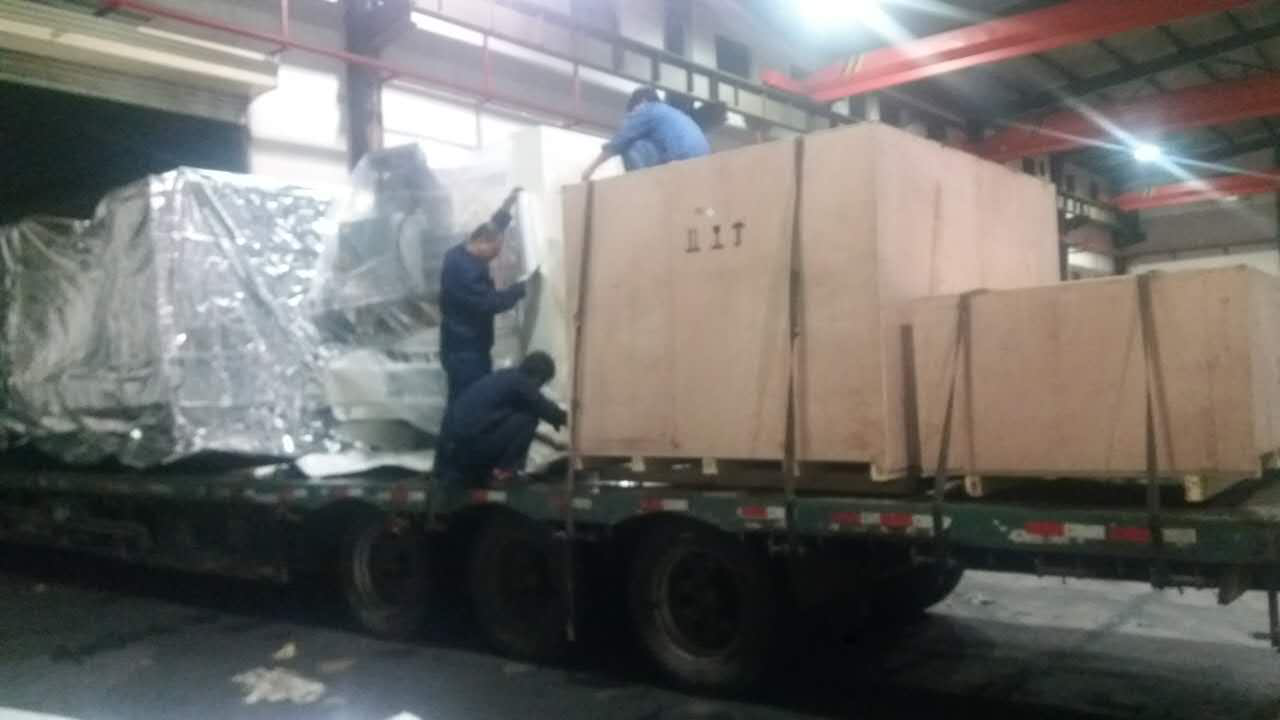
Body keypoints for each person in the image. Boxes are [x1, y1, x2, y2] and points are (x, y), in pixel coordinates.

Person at [439, 187, 527, 403]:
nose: (495, 257)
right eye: (495, 251)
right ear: (482, 243)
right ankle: (457, 427)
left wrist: (507, 207)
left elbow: (492, 229)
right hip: (465, 351)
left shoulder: (459, 252)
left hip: (464, 346)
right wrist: (520, 289)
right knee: (468, 401)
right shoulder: (465, 271)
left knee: (467, 400)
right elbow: (490, 303)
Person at [438, 351, 567, 486]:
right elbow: (548, 410)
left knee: (525, 414)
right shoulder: (521, 382)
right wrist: (575, 421)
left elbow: (535, 411)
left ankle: (493, 470)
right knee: (529, 418)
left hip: (455, 450)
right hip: (471, 447)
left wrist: (553, 440)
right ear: (538, 375)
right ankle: (503, 473)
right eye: (543, 381)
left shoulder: (506, 376)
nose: (540, 387)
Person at [581, 87, 711, 181]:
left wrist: (590, 169)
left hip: (681, 161)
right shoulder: (673, 113)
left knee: (631, 144)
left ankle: (641, 185)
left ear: (643, 101)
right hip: (704, 166)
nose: (633, 115)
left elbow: (619, 142)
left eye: (633, 110)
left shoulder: (647, 109)